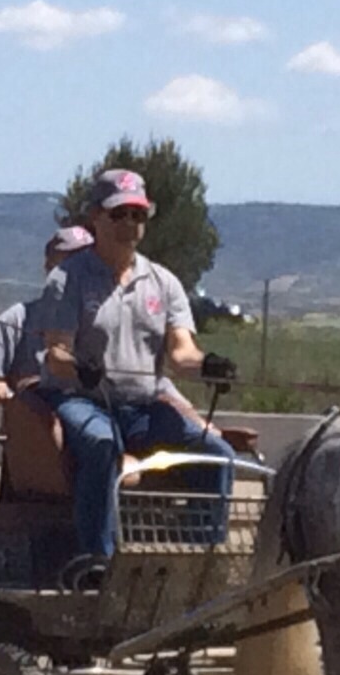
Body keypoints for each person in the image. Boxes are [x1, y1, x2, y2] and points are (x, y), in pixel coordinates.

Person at [35, 169, 238, 562]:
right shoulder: (66, 279)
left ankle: (200, 561)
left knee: (217, 453)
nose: (129, 223)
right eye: (118, 214)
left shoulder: (163, 283)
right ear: (95, 216)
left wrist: (210, 365)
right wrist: (81, 369)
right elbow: (56, 355)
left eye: (138, 215)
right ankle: (98, 561)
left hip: (145, 408)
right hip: (83, 401)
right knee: (102, 445)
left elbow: (182, 355)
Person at [0, 226, 95, 413]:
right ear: (49, 268)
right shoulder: (19, 318)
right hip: (38, 426)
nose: (79, 270)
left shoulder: (113, 318)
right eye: (69, 262)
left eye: (87, 262)